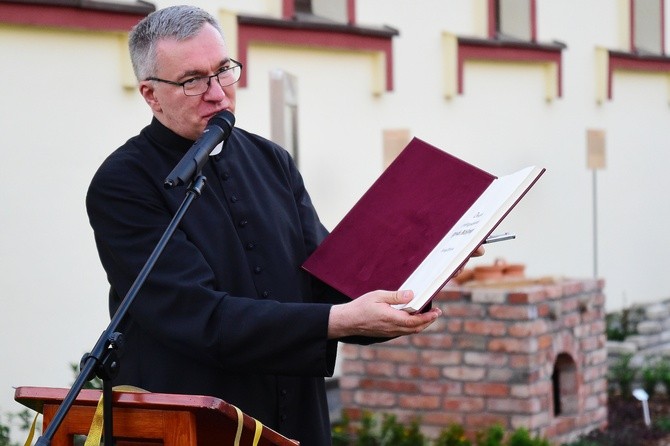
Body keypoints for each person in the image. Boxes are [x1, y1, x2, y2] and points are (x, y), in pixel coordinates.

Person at [86, 5, 483, 445]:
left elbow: (329, 284)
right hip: (199, 427)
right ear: (150, 94)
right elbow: (200, 317)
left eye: (224, 71)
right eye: (193, 80)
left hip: (297, 422)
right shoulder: (124, 183)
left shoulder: (270, 160)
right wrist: (337, 320)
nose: (218, 93)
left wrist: (428, 266)